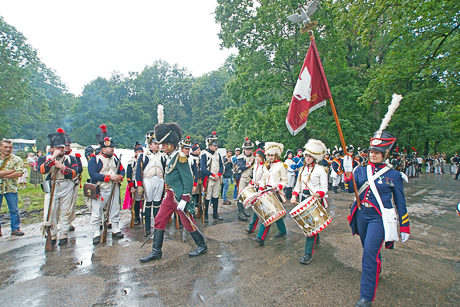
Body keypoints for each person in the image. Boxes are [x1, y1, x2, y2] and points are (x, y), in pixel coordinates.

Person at [344, 130, 410, 307]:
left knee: (368, 256)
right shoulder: (361, 170)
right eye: (371, 152)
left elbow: (400, 203)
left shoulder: (394, 175)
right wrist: (348, 172)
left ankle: (366, 297)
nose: (373, 154)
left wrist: (404, 226)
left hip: (378, 219)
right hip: (361, 216)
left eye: (377, 152)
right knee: (369, 249)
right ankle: (375, 270)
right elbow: (351, 189)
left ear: (384, 154)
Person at [140, 122, 207, 262]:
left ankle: (201, 245)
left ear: (172, 144)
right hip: (169, 196)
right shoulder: (169, 156)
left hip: (178, 197)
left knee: (187, 222)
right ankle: (156, 251)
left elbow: (188, 179)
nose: (161, 146)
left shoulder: (180, 157)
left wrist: (185, 198)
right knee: (159, 220)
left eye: (164, 144)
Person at [38, 129, 78, 245]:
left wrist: (62, 167)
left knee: (66, 212)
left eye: (62, 147)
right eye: (58, 147)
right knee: (51, 213)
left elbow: (74, 173)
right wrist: (52, 159)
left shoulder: (70, 159)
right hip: (51, 187)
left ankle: (64, 233)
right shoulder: (44, 159)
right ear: (52, 148)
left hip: (66, 186)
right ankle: (53, 234)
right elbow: (42, 170)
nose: (61, 149)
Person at [291, 139, 328, 265]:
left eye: (309, 156)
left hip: (315, 201)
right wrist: (294, 196)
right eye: (306, 156)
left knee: (309, 227)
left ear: (314, 157)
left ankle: (308, 254)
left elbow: (324, 188)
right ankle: (316, 239)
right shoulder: (301, 170)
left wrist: (319, 194)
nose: (307, 158)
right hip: (303, 200)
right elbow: (297, 186)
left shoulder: (321, 170)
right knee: (311, 226)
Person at [88, 125, 125, 244]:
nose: (112, 149)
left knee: (115, 208)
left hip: (114, 187)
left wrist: (120, 176)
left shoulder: (115, 159)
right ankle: (96, 232)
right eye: (110, 148)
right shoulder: (95, 159)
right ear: (103, 149)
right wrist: (109, 177)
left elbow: (122, 170)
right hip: (100, 188)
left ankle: (115, 228)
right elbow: (93, 174)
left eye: (112, 147)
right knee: (97, 210)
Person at [253, 142, 288, 245]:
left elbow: (285, 181)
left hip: (276, 192)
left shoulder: (281, 166)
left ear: (276, 155)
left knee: (269, 214)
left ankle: (261, 238)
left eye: (272, 155)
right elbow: (263, 179)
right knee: (275, 213)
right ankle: (282, 230)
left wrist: (278, 186)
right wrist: (260, 188)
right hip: (266, 191)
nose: (270, 157)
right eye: (268, 155)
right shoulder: (266, 165)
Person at [136, 130, 166, 236]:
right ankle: (148, 228)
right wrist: (139, 185)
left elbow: (165, 170)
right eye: (155, 143)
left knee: (157, 204)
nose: (157, 145)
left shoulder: (162, 156)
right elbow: (138, 172)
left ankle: (158, 227)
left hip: (159, 180)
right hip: (147, 180)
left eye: (158, 143)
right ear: (150, 144)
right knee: (148, 204)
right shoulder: (143, 156)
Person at [0, 139, 25, 237]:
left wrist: (2, 175)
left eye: (10, 147)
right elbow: (15, 172)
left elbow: (19, 173)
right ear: (0, 147)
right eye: (5, 147)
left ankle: (15, 228)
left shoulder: (17, 159)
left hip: (10, 188)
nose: (7, 149)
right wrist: (10, 171)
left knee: (14, 210)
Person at [200, 131, 224, 223]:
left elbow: (221, 166)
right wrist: (213, 175)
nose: (216, 147)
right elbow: (203, 169)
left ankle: (215, 213)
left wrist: (219, 174)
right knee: (207, 197)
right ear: (209, 146)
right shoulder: (204, 155)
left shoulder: (218, 155)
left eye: (216, 145)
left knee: (215, 196)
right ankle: (205, 214)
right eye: (214, 145)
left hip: (217, 179)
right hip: (209, 180)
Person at [246, 144, 267, 233]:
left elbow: (265, 178)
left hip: (262, 190)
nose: (257, 158)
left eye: (258, 156)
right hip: (256, 189)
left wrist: (261, 186)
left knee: (258, 209)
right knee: (256, 208)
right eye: (256, 156)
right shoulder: (255, 165)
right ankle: (282, 229)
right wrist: (250, 184)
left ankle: (251, 227)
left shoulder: (265, 166)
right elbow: (254, 177)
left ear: (262, 157)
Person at [64, 131, 82, 233]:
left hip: (72, 182)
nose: (66, 147)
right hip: (58, 184)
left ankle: (68, 222)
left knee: (71, 204)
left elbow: (79, 169)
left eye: (68, 145)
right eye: (65, 145)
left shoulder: (75, 156)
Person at [236, 138, 255, 221]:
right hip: (242, 178)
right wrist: (250, 163)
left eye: (249, 149)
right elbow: (241, 167)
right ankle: (240, 212)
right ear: (244, 149)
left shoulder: (253, 157)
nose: (248, 151)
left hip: (250, 178)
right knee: (241, 195)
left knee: (247, 195)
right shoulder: (240, 157)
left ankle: (244, 211)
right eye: (246, 149)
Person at [125, 141, 144, 225]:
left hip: (144, 182)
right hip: (135, 183)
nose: (138, 153)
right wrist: (131, 186)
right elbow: (129, 175)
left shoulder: (145, 160)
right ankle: (136, 217)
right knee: (136, 201)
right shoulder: (131, 162)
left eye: (140, 152)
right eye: (137, 152)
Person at [189, 142, 201, 209]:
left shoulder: (200, 157)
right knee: (193, 194)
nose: (199, 151)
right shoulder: (190, 158)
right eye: (198, 150)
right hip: (193, 178)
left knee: (198, 193)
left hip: (199, 178)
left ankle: (199, 206)